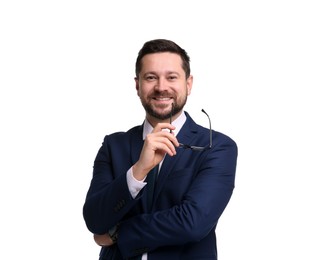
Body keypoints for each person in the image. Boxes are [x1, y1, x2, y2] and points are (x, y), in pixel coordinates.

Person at [83, 39, 238, 260]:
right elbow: (95, 220)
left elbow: (193, 222)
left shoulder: (218, 147)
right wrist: (138, 171)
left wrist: (119, 233)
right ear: (137, 85)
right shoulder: (113, 145)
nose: (161, 87)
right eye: (151, 77)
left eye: (171, 77)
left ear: (188, 84)